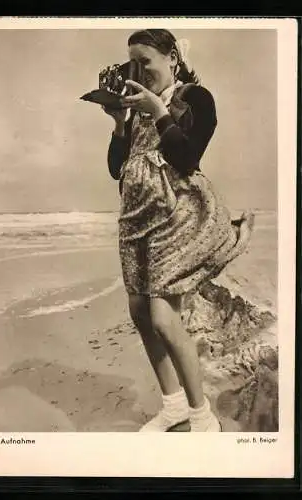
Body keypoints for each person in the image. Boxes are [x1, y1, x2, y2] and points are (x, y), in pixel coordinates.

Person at [102, 29, 254, 432]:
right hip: (137, 216)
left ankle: (203, 416)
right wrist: (121, 123)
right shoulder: (136, 108)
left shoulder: (196, 99)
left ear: (171, 57)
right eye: (131, 62)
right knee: (139, 311)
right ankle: (173, 406)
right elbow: (118, 167)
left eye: (144, 61)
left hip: (178, 213)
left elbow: (186, 158)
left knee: (163, 317)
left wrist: (158, 110)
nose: (137, 70)